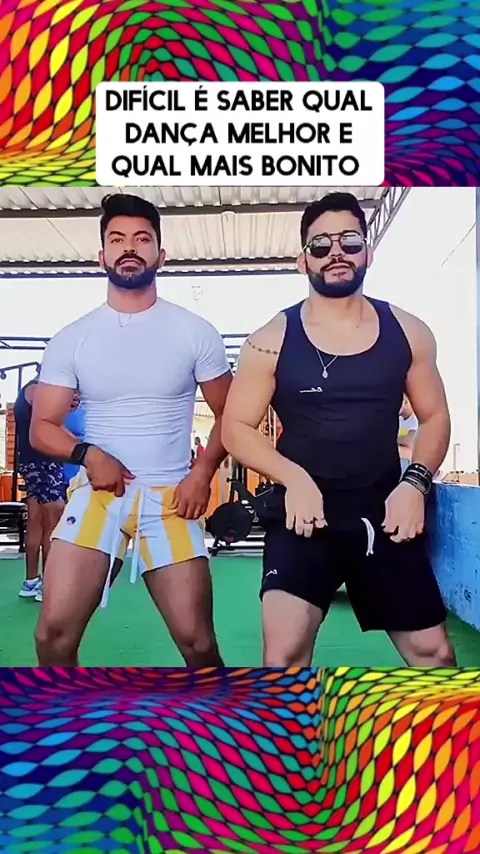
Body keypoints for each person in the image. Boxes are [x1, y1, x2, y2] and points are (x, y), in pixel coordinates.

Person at [222, 191, 455, 668]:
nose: (336, 253)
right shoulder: (270, 340)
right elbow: (236, 427)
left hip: (384, 515)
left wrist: (414, 485)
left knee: (433, 652)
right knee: (283, 653)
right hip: (302, 517)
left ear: (367, 251)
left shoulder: (409, 331)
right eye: (321, 244)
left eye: (350, 241)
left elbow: (434, 416)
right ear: (302, 259)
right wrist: (296, 480)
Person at [30, 193, 232, 667]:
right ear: (101, 255)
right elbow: (42, 426)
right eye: (117, 239)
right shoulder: (72, 338)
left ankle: (219, 711)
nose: (129, 248)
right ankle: (64, 713)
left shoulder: (194, 331)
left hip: (172, 499)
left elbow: (231, 414)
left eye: (142, 239)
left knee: (198, 641)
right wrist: (88, 455)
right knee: (52, 636)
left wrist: (202, 473)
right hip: (98, 496)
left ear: (161, 254)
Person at [14, 369, 66, 603]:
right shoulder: (38, 391)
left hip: (33, 461)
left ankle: (31, 581)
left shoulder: (29, 390)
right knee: (54, 520)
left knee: (36, 520)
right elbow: (50, 426)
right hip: (43, 461)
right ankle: (50, 584)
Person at [398, 394, 418, 473]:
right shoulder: (399, 420)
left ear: (406, 402)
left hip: (409, 469)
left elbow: (410, 444)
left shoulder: (415, 420)